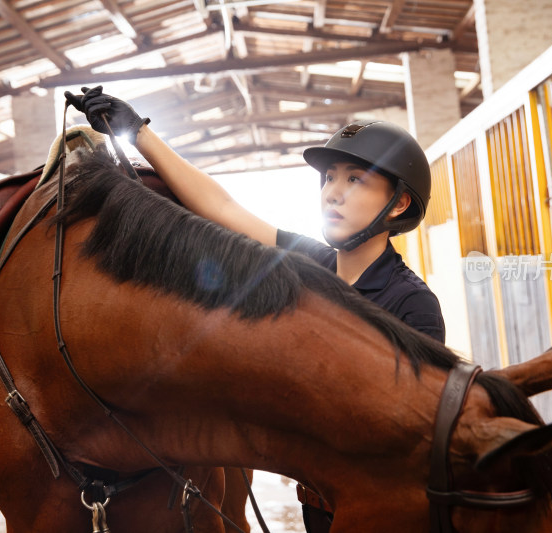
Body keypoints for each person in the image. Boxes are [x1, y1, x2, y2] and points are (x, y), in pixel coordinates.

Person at [65, 85, 445, 531]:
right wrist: (137, 133)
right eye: (329, 178)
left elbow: (411, 439)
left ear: (399, 203)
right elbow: (222, 207)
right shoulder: (310, 266)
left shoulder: (412, 303)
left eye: (355, 179)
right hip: (318, 509)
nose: (332, 194)